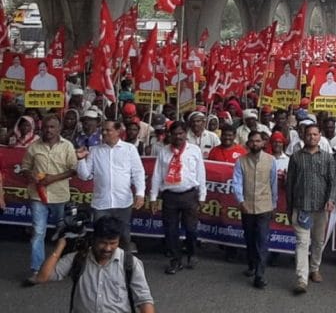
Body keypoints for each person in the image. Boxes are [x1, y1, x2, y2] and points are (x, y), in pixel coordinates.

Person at [35, 216, 155, 312]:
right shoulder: (77, 259)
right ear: (94, 239)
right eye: (103, 243)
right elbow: (42, 277)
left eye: (113, 243)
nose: (107, 248)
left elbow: (144, 300)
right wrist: (60, 246)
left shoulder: (130, 263)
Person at [20, 115, 77, 283]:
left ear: (59, 128)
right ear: (41, 128)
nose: (49, 130)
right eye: (46, 127)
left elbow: (73, 170)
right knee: (38, 232)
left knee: (63, 232)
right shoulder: (33, 147)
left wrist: (54, 178)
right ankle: (37, 270)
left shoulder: (67, 146)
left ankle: (63, 266)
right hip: (38, 196)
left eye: (52, 127)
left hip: (60, 195)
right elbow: (24, 167)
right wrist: (30, 175)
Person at [285, 124, 336, 294]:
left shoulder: (328, 158)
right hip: (301, 208)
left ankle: (314, 269)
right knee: (302, 243)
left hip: (321, 208)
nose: (312, 138)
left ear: (320, 136)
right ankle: (301, 279)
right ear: (303, 136)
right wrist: (289, 206)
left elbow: (334, 182)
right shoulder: (295, 158)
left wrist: (331, 200)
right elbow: (290, 184)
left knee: (318, 242)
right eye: (309, 135)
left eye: (315, 134)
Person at [149, 121, 207, 275]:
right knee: (170, 230)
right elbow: (157, 175)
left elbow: (201, 174)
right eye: (175, 134)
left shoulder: (194, 150)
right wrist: (153, 197)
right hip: (170, 196)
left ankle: (192, 252)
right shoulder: (163, 152)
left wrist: (202, 195)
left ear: (185, 134)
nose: (178, 136)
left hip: (190, 195)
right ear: (170, 135)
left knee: (191, 228)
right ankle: (176, 260)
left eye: (181, 133)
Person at [76, 120, 145, 248]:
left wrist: (140, 193)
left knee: (123, 237)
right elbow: (84, 176)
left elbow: (138, 173)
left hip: (123, 202)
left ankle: (126, 265)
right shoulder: (94, 150)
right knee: (100, 238)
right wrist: (80, 160)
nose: (104, 133)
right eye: (103, 130)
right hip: (101, 203)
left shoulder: (129, 149)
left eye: (108, 130)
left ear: (118, 131)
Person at [232, 130, 277, 287]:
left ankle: (259, 274)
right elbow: (236, 182)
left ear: (263, 143)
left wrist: (274, 204)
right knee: (250, 239)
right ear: (248, 143)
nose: (255, 144)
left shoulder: (271, 160)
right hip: (247, 207)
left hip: (265, 206)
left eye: (258, 141)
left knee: (262, 240)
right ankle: (252, 264)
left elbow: (273, 184)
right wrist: (240, 200)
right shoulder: (241, 161)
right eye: (252, 141)